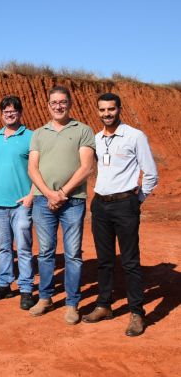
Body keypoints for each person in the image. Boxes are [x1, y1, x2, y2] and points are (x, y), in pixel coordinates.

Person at [81, 93, 158, 337]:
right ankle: (104, 305)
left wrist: (137, 200)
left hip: (125, 204)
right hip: (100, 205)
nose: (106, 114)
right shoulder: (97, 138)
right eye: (102, 110)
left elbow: (151, 173)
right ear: (98, 111)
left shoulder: (135, 136)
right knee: (104, 261)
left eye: (111, 109)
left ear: (119, 109)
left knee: (130, 261)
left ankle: (137, 312)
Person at [27, 86, 95, 324]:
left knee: (73, 254)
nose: (58, 106)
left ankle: (72, 304)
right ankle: (45, 298)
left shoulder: (83, 130)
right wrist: (48, 194)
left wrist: (62, 193)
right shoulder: (39, 133)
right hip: (42, 200)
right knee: (45, 252)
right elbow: (32, 168)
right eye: (54, 102)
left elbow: (86, 167)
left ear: (70, 103)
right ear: (48, 105)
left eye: (63, 102)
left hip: (73, 201)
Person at [0, 96, 36, 310]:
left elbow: (37, 168)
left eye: (13, 111)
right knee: (3, 247)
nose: (9, 114)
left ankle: (25, 289)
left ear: (20, 112)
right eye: (5, 111)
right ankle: (4, 283)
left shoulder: (31, 137)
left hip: (21, 203)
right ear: (1, 113)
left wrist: (32, 194)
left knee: (23, 248)